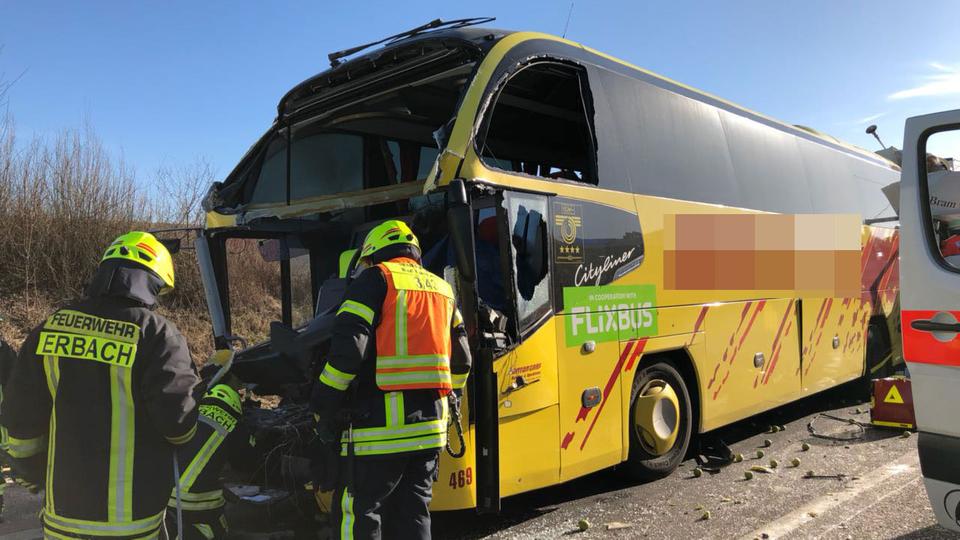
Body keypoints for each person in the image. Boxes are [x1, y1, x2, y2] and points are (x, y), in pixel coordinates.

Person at [0, 231, 202, 539]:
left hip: (62, 516)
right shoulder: (157, 334)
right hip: (133, 521)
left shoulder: (49, 330)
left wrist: (38, 477)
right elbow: (179, 425)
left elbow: (20, 422)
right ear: (152, 282)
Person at [311, 220, 472, 540]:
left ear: (371, 255)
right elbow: (463, 360)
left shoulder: (376, 279)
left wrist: (323, 404)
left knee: (359, 512)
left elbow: (348, 354)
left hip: (379, 433)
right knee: (414, 512)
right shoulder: (443, 289)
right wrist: (448, 397)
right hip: (429, 433)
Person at [165, 379, 257, 539]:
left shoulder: (190, 412)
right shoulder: (233, 426)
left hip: (164, 495)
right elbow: (247, 464)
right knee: (219, 527)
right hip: (196, 504)